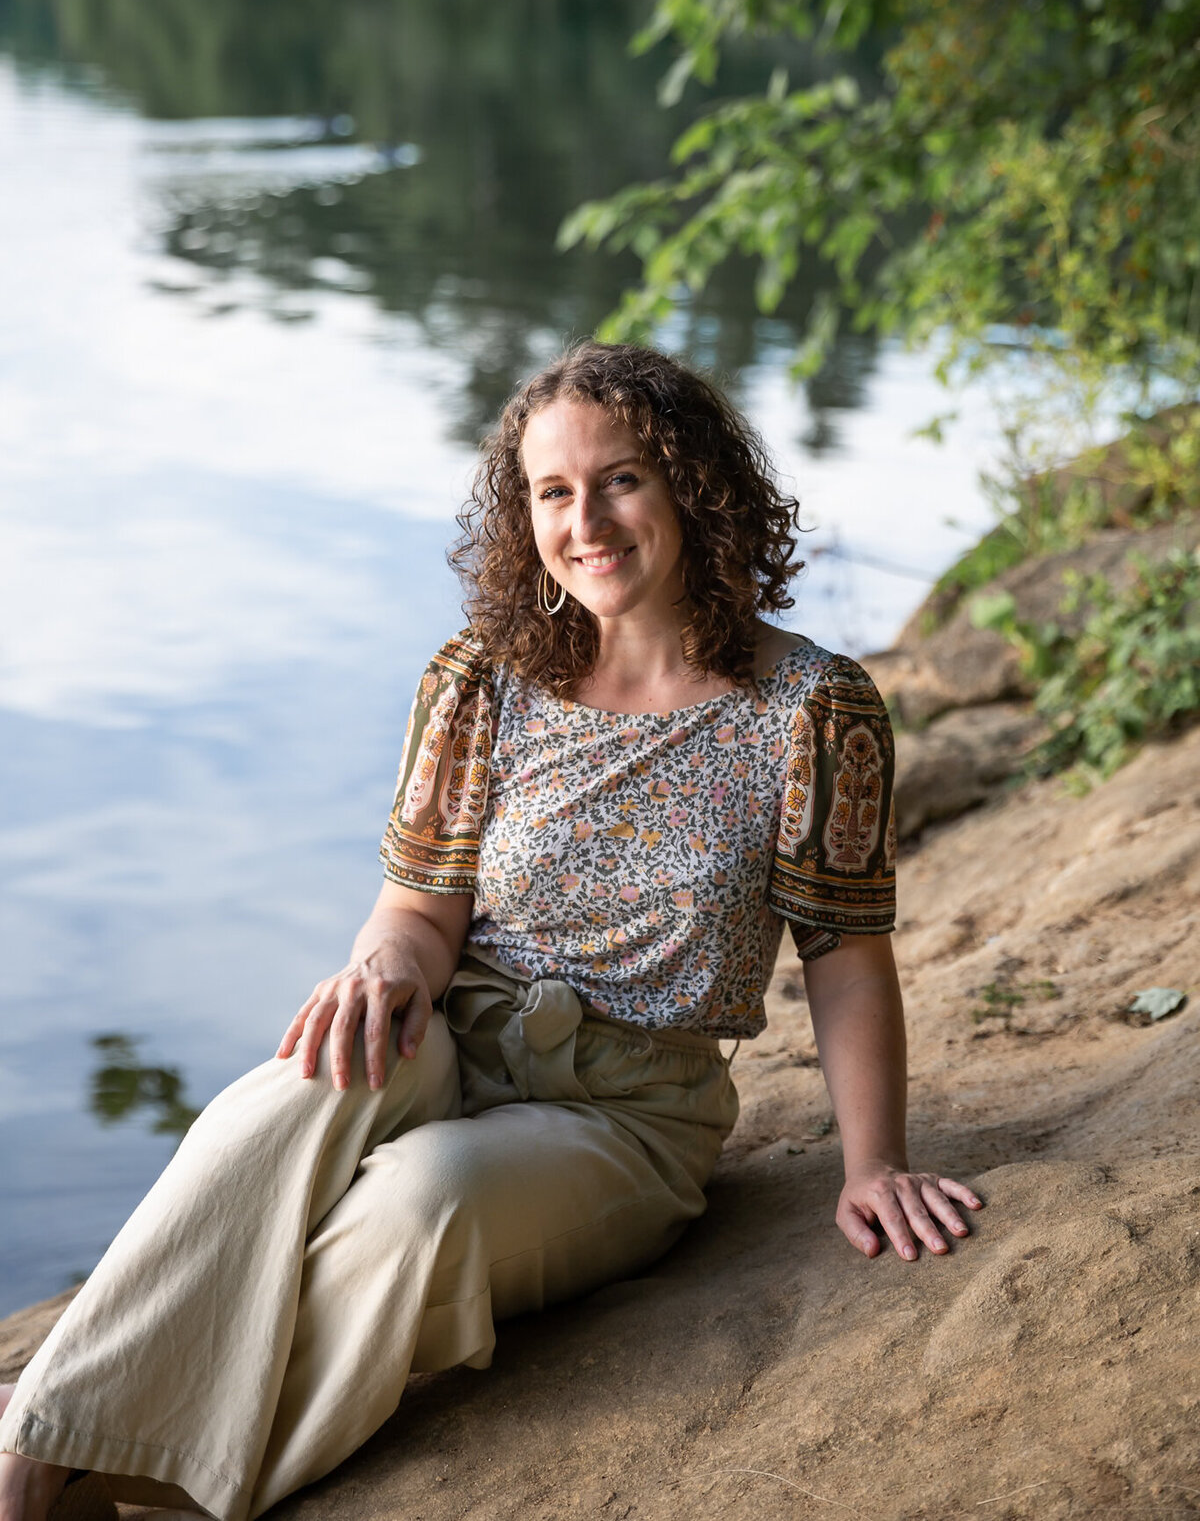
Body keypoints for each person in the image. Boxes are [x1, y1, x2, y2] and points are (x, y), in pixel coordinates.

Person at [0, 342, 982, 1521]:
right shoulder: (482, 679)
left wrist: (872, 1162)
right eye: (554, 491)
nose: (588, 521)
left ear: (693, 485)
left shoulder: (812, 707)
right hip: (449, 1026)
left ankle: (147, 1482)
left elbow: (847, 955)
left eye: (622, 479)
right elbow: (419, 911)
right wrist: (381, 971)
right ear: (526, 513)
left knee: (421, 1199)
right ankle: (37, 1447)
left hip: (626, 1111)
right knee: (285, 1097)